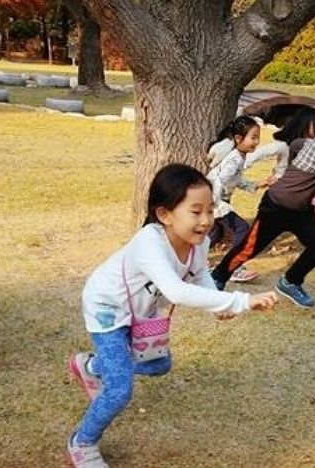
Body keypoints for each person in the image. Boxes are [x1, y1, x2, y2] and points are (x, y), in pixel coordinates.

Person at [66, 164, 278, 467]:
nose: (207, 220)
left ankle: (91, 365)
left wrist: (216, 305)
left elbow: (199, 274)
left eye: (210, 209)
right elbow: (177, 291)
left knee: (159, 365)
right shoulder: (149, 242)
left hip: (140, 310)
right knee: (119, 388)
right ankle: (81, 442)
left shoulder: (199, 242)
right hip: (107, 309)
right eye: (196, 211)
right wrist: (239, 301)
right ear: (165, 214)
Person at [211, 99, 315, 308]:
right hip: (276, 207)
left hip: (300, 210)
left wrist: (295, 166)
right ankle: (217, 278)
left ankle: (290, 281)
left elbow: (297, 145)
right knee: (250, 247)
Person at [244, 107, 315, 256]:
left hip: (300, 188)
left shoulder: (311, 146)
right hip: (284, 187)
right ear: (304, 124)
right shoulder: (284, 145)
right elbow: (262, 153)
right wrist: (242, 163)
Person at [207, 116, 265, 284]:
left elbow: (235, 179)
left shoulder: (239, 156)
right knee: (243, 229)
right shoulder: (234, 159)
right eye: (253, 137)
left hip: (217, 199)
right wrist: (213, 206)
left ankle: (192, 260)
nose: (256, 142)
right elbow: (219, 180)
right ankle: (234, 268)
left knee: (216, 233)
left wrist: (255, 185)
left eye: (257, 138)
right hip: (216, 200)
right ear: (239, 139)